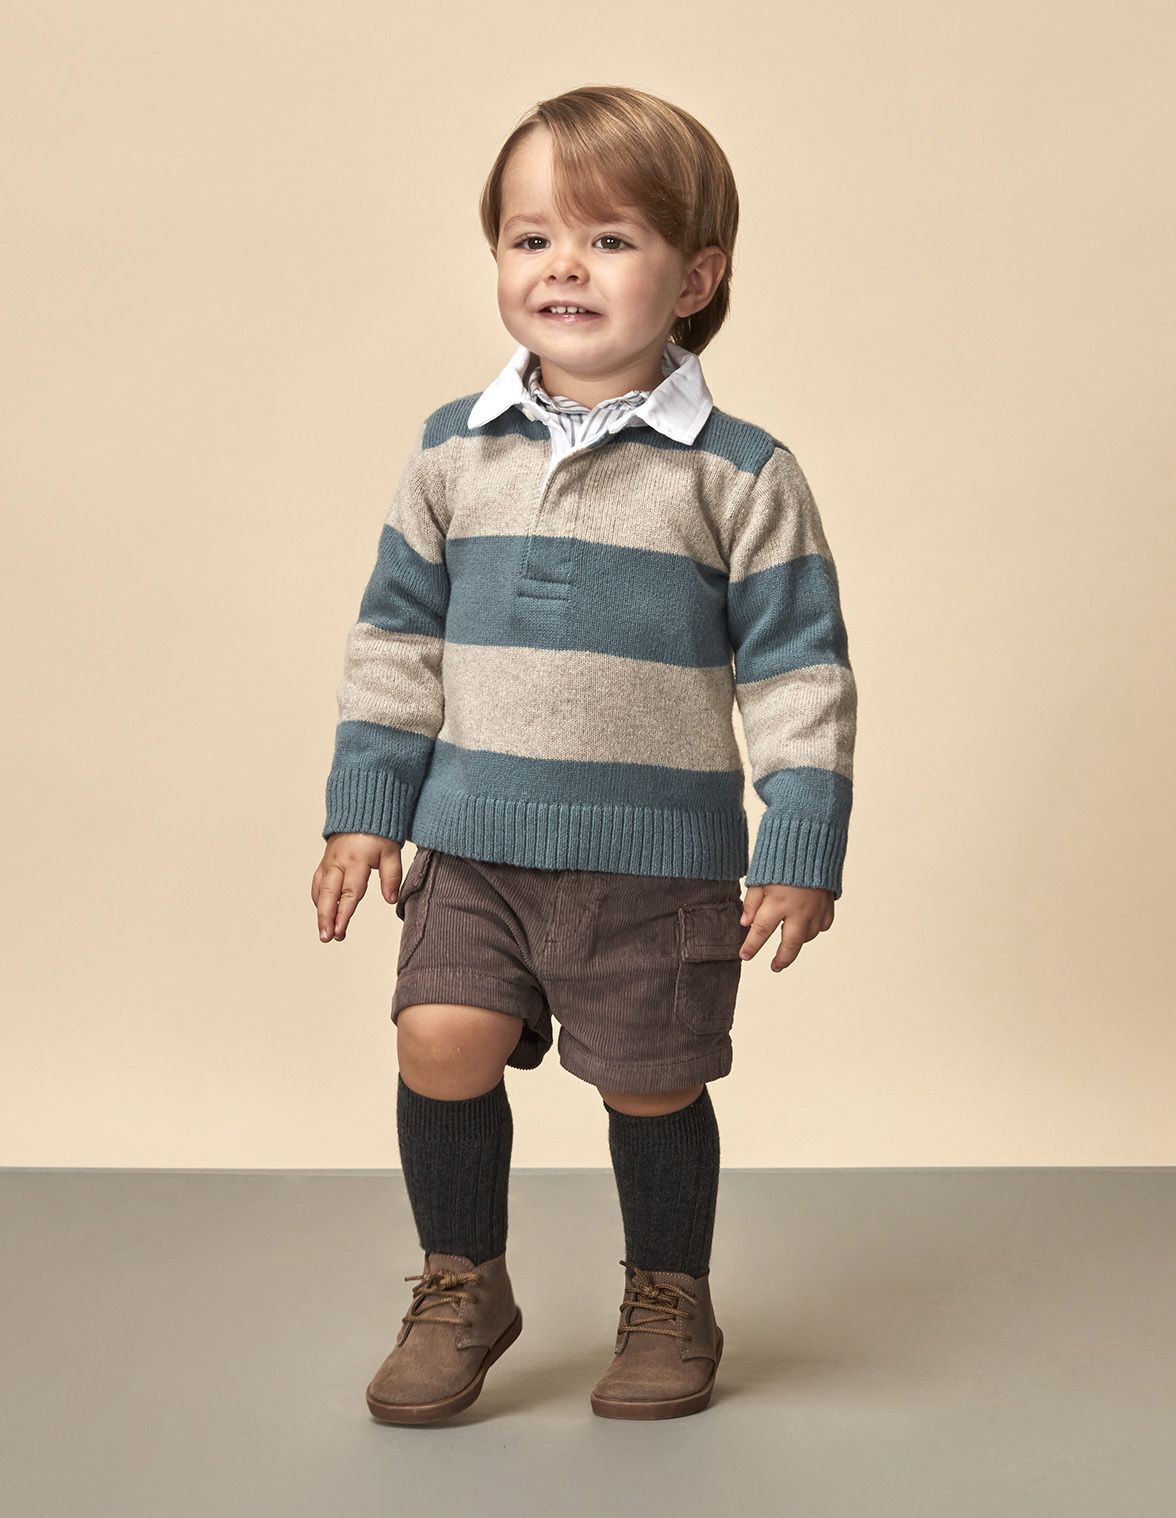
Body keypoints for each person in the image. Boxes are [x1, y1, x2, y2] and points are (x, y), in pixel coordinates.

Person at [310, 84, 857, 1424]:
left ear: (695, 279)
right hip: (473, 842)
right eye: (531, 237)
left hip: (655, 861)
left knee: (652, 1083)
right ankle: (462, 1281)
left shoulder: (739, 473)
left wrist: (801, 840)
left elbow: (800, 670)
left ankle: (669, 1294)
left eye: (610, 240)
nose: (564, 265)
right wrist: (366, 807)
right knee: (439, 1038)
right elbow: (395, 638)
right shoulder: (452, 451)